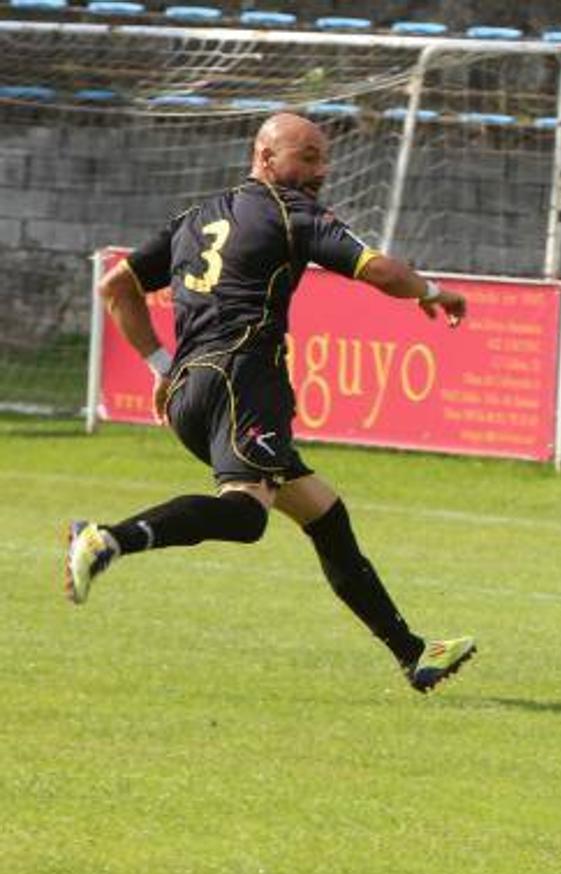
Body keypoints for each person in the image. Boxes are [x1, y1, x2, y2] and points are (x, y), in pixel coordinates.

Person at [64, 113, 478, 693]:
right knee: (246, 515)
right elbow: (379, 269)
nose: (320, 170)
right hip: (243, 379)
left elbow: (115, 289)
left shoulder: (195, 216)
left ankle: (415, 654)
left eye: (322, 157)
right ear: (265, 157)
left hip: (192, 391)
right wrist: (436, 293)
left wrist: (161, 367)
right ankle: (106, 539)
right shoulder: (292, 213)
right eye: (306, 156)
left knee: (324, 514)